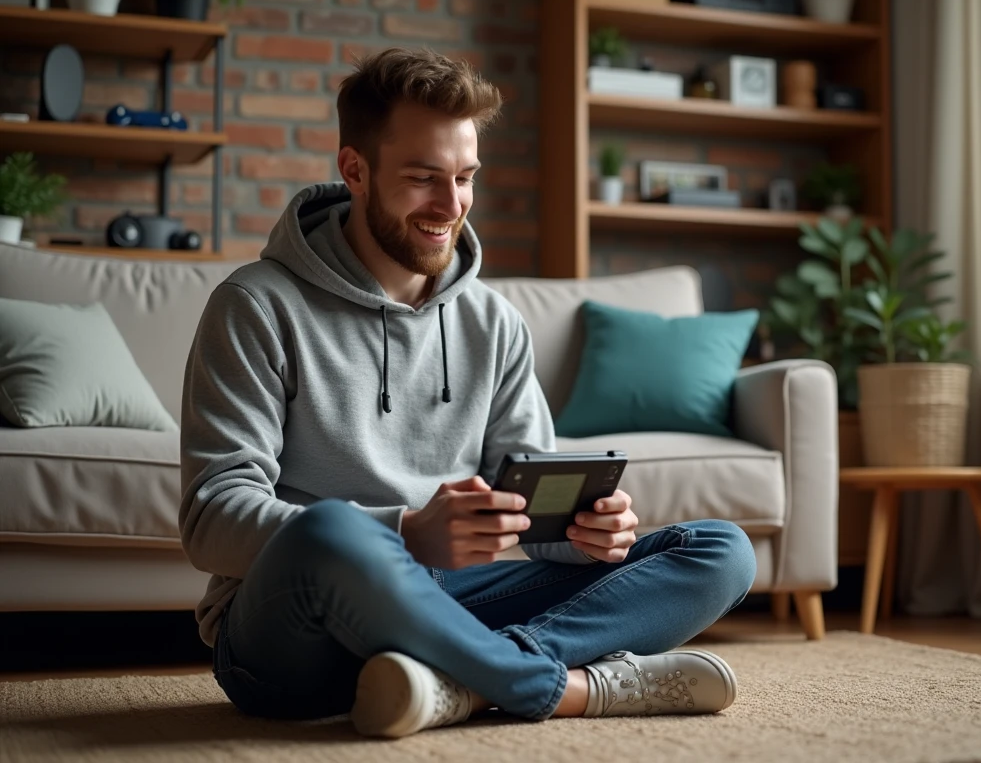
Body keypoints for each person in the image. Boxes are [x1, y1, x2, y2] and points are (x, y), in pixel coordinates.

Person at [179, 47, 756, 739]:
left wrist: (584, 533)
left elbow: (529, 514)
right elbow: (211, 519)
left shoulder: (492, 322)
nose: (451, 207)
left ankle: (460, 685)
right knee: (330, 530)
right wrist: (404, 532)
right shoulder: (255, 305)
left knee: (720, 550)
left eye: (465, 177)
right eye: (424, 178)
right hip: (293, 638)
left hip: (446, 607)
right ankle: (557, 686)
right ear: (354, 170)